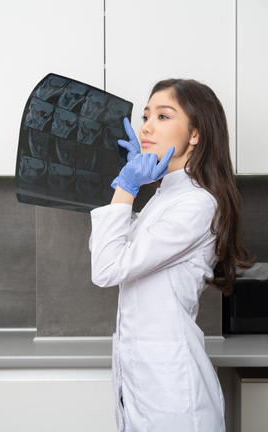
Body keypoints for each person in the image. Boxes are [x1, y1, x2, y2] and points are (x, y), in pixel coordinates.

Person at [89, 78, 253, 432]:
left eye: (163, 117)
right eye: (146, 115)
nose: (146, 126)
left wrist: (126, 185)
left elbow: (105, 268)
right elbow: (105, 250)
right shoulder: (166, 197)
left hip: (172, 393)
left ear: (195, 134)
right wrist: (133, 185)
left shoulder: (196, 204)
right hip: (144, 382)